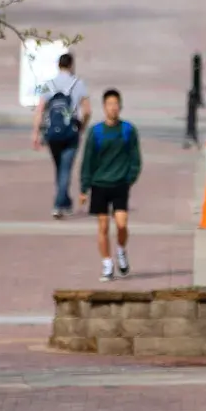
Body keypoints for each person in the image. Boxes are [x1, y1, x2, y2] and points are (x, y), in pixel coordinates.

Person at [79, 87, 142, 280]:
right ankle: (107, 263)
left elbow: (135, 158)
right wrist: (84, 187)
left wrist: (130, 178)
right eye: (109, 104)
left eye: (116, 104)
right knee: (103, 226)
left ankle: (121, 250)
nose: (113, 108)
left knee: (122, 224)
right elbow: (87, 160)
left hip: (120, 184)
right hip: (99, 184)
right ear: (104, 107)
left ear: (120, 106)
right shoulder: (96, 132)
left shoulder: (128, 130)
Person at [32, 52, 91, 219]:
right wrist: (82, 126)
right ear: (71, 65)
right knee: (65, 169)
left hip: (52, 134)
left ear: (58, 65)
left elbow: (40, 110)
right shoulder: (78, 84)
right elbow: (87, 110)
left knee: (60, 169)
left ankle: (66, 202)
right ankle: (58, 205)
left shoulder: (48, 84)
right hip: (71, 132)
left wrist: (36, 132)